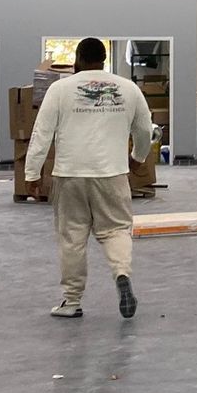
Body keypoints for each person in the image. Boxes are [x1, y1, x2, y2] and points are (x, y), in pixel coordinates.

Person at [25, 37, 153, 320]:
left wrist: (32, 174)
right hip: (112, 172)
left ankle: (71, 301)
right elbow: (145, 129)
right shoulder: (128, 88)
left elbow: (41, 133)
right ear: (104, 60)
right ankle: (121, 274)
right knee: (116, 230)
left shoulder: (60, 89)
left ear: (78, 59)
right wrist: (138, 157)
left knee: (72, 237)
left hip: (69, 174)